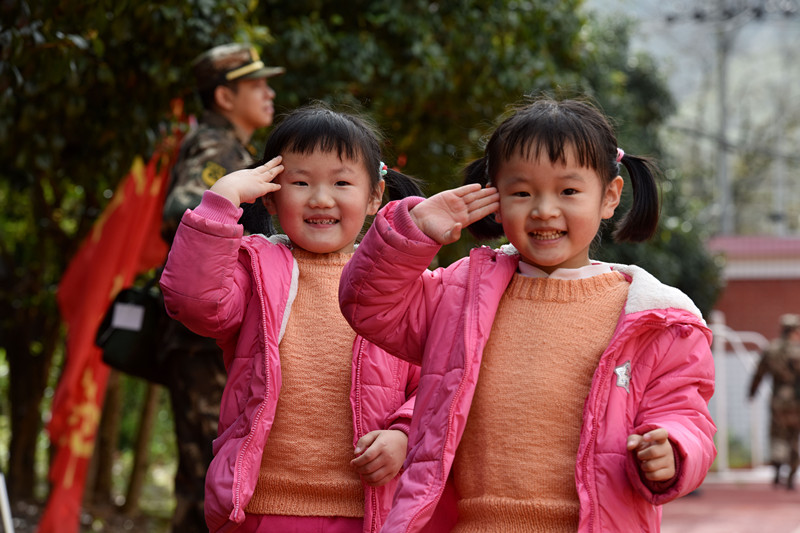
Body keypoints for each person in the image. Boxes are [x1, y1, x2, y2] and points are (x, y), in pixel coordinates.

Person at [340, 96, 717, 532]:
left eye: (569, 191)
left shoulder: (655, 319)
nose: (544, 209)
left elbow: (683, 412)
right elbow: (369, 305)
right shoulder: (461, 294)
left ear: (610, 196)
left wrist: (673, 448)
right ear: (496, 200)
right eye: (522, 192)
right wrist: (414, 232)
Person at [160, 104, 428, 533]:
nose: (320, 198)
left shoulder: (401, 282)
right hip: (265, 505)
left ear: (375, 195)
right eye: (300, 182)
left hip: (369, 510)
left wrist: (404, 433)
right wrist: (221, 201)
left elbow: (436, 375)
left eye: (341, 182)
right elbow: (193, 300)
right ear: (270, 194)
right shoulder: (252, 266)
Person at [159, 42, 284, 532]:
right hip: (201, 339)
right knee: (208, 478)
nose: (269, 93)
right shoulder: (217, 149)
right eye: (255, 84)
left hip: (213, 333)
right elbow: (182, 208)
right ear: (224, 98)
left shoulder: (233, 147)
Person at [749, 313, 800, 490]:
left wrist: (752, 392)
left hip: (778, 400)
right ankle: (792, 475)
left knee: (778, 435)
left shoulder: (771, 349)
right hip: (797, 401)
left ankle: (778, 467)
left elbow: (759, 373)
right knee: (794, 437)